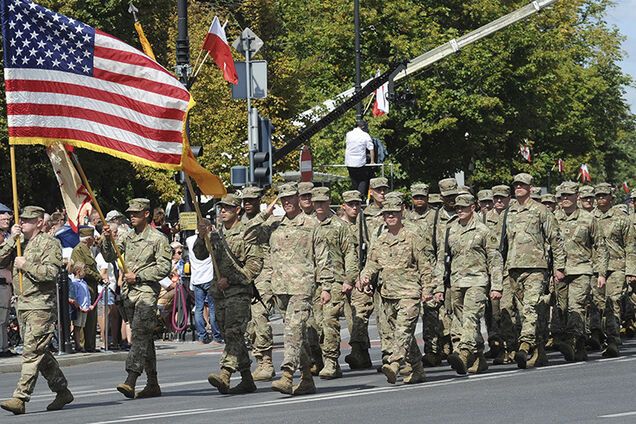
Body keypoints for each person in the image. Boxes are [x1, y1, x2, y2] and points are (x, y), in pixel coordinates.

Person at [258, 183, 333, 396]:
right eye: (283, 199)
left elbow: (323, 258)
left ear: (299, 198)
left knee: (293, 329)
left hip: (302, 286)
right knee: (296, 334)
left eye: (291, 197)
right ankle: (307, 379)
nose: (287, 202)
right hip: (280, 288)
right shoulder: (275, 226)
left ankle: (287, 375)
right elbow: (248, 234)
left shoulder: (312, 225)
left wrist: (326, 286)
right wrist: (265, 213)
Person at [0, 206, 73, 415]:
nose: (22, 223)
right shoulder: (19, 243)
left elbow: (51, 273)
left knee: (31, 352)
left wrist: (26, 265)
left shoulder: (50, 243)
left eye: (27, 220)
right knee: (39, 352)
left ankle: (20, 398)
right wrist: (10, 241)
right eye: (21, 220)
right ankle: (62, 390)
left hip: (41, 305)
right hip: (23, 304)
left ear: (40, 222)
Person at [100, 198, 172, 399]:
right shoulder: (128, 237)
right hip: (129, 296)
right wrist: (107, 239)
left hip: (146, 293)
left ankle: (131, 379)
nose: (132, 216)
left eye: (136, 213)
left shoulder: (158, 238)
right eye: (130, 213)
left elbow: (164, 267)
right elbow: (109, 256)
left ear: (146, 214)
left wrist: (139, 276)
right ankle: (153, 383)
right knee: (145, 338)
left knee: (139, 334)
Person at [360, 196, 430, 385]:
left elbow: (425, 265)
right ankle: (417, 369)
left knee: (403, 330)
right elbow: (371, 263)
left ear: (401, 213)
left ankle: (395, 363)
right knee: (403, 334)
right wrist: (364, 277)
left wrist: (429, 289)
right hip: (388, 294)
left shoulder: (413, 235)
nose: (390, 216)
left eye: (394, 213)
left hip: (409, 292)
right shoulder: (380, 239)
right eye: (387, 213)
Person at [431, 194, 503, 374]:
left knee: (471, 317)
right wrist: (439, 287)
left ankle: (464, 353)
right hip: (456, 282)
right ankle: (478, 357)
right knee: (461, 321)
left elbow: (494, 260)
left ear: (473, 207)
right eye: (457, 208)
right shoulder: (450, 229)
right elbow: (441, 260)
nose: (460, 210)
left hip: (477, 281)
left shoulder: (484, 230)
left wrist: (496, 286)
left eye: (464, 207)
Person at [501, 173, 565, 369]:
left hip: (536, 267)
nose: (518, 187)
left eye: (522, 185)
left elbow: (555, 239)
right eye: (516, 185)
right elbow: (503, 243)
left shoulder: (541, 211)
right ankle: (540, 352)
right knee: (525, 311)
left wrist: (559, 267)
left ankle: (525, 345)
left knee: (530, 307)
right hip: (513, 268)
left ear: (530, 187)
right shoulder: (509, 212)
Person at [203, 194, 263, 394]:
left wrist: (232, 279)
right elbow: (200, 253)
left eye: (228, 208)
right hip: (219, 294)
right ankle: (247, 378)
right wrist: (202, 235)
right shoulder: (216, 233)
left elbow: (254, 265)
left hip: (238, 293)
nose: (223, 211)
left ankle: (225, 373)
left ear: (238, 210)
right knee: (232, 338)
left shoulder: (247, 233)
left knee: (234, 332)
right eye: (221, 208)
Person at [551, 182, 608, 362]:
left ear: (577, 197)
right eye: (562, 196)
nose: (565, 199)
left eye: (569, 195)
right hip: (559, 272)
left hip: (582, 270)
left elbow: (600, 246)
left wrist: (601, 273)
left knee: (577, 307)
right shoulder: (553, 218)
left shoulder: (588, 219)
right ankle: (580, 344)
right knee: (562, 309)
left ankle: (572, 340)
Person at [311, 187, 357, 379]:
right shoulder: (308, 224)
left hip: (335, 280)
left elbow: (350, 253)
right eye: (316, 202)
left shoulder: (340, 226)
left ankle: (331, 361)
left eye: (323, 202)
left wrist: (349, 278)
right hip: (312, 282)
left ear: (329, 202)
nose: (319, 205)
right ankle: (318, 359)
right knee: (314, 324)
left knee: (330, 321)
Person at [241, 186, 277, 381]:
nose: (247, 203)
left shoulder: (271, 223)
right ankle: (258, 359)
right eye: (245, 200)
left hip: (265, 275)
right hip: (246, 276)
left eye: (252, 200)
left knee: (260, 317)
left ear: (259, 201)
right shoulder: (239, 224)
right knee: (249, 323)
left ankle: (266, 362)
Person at [590, 183, 629, 357]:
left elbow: (631, 246)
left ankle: (613, 339)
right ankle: (598, 335)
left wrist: (631, 270)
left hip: (617, 266)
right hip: (595, 267)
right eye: (598, 196)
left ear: (611, 198)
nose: (600, 199)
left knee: (612, 302)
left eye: (604, 195)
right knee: (597, 304)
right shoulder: (589, 218)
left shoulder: (622, 218)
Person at [187, 220, 223, 344]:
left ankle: (202, 335)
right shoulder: (210, 239)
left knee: (199, 308)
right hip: (208, 277)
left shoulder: (189, 240)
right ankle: (216, 334)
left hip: (197, 278)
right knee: (213, 308)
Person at [71, 226, 101, 352]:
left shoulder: (88, 250)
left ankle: (90, 345)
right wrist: (99, 277)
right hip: (83, 286)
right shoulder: (78, 250)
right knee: (83, 317)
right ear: (88, 238)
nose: (94, 239)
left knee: (91, 318)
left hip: (91, 286)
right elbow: (83, 269)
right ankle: (82, 345)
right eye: (92, 237)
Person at [345, 120, 375, 196]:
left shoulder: (349, 134)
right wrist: (372, 161)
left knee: (354, 180)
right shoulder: (365, 135)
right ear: (363, 127)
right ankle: (360, 197)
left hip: (349, 162)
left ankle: (354, 197)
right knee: (362, 180)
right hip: (360, 162)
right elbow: (371, 148)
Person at [0, 203, 15, 358]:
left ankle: (3, 347)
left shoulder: (5, 236)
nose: (7, 218)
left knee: (3, 318)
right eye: (3, 216)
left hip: (5, 283)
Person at [68, 262, 91, 353]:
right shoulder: (74, 283)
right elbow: (75, 296)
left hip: (85, 308)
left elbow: (87, 295)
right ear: (78, 271)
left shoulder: (84, 282)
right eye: (84, 270)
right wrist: (78, 306)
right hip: (79, 308)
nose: (85, 272)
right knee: (77, 327)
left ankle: (81, 344)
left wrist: (89, 305)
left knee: (81, 326)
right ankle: (78, 345)